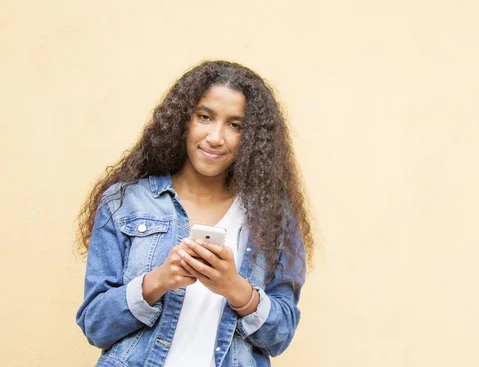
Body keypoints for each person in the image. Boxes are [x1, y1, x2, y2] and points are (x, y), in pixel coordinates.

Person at [75, 60, 314, 367]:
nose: (216, 137)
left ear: (252, 138)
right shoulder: (125, 201)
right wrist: (158, 281)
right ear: (182, 120)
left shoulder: (273, 214)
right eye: (205, 117)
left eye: (235, 125)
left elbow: (280, 336)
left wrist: (235, 288)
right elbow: (95, 326)